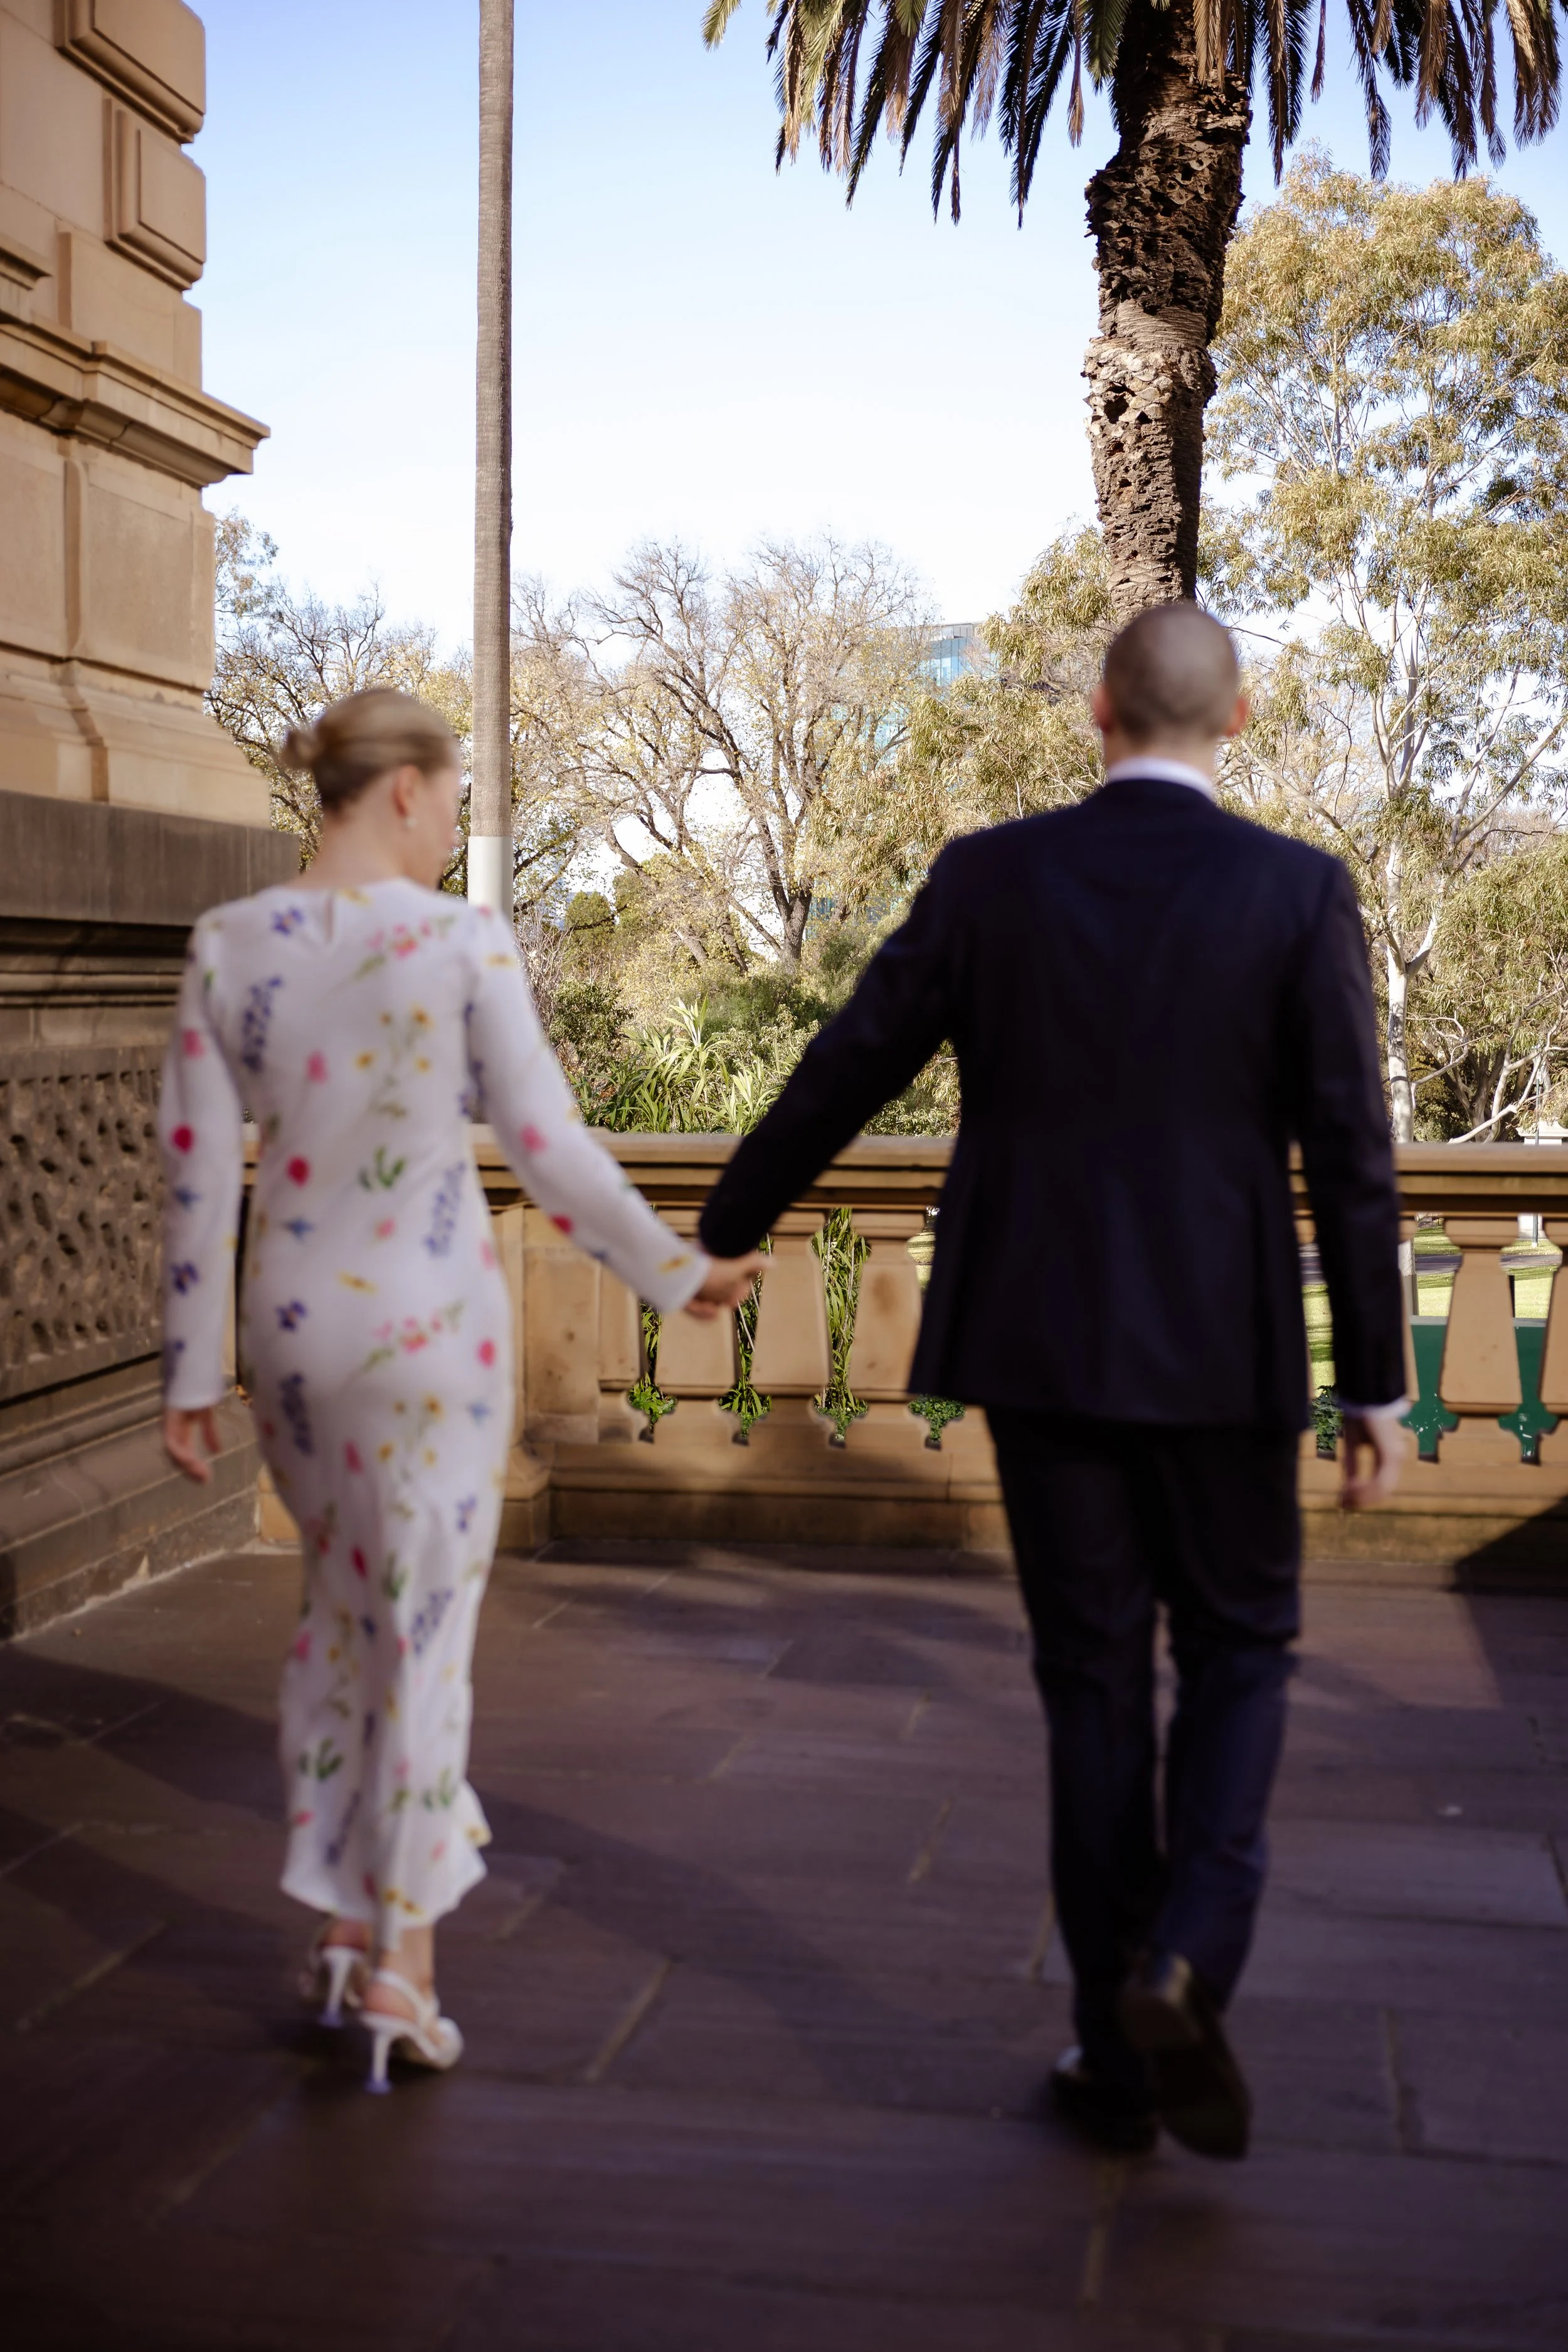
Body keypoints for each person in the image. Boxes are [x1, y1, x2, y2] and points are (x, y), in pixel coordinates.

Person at [696, 604, 1409, 2160]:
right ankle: (1186, 1956)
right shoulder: (1294, 892)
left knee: (1092, 1682)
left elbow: (847, 1060)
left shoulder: (990, 875)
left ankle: (1108, 2043)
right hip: (1220, 1352)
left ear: (1097, 708)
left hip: (1034, 1340)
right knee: (1239, 1652)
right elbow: (1351, 1153)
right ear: (1239, 712)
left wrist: (729, 1226)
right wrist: (1372, 1382)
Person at [160, 688, 759, 2092]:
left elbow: (195, 1179)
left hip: (294, 1337)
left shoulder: (228, 945)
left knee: (337, 1618)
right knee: (421, 1640)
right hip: (432, 1339)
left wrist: (192, 1374)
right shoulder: (456, 941)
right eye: (452, 798)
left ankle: (338, 1919)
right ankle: (399, 1964)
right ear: (409, 793)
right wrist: (672, 1275)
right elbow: (545, 1146)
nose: (454, 825)